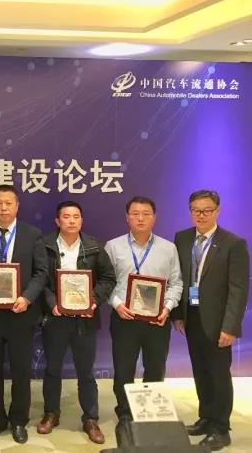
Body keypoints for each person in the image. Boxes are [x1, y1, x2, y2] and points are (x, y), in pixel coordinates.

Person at [171, 190, 249, 451]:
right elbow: (179, 278)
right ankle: (206, 418)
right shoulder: (182, 238)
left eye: (207, 210)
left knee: (218, 374)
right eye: (196, 210)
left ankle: (221, 428)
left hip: (218, 322)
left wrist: (231, 326)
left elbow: (238, 289)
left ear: (218, 211)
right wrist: (177, 315)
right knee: (200, 370)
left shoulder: (233, 243)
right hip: (192, 317)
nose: (201, 215)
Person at [36, 201, 116, 444]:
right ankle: (51, 413)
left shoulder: (93, 246)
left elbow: (108, 278)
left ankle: (90, 418)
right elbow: (40, 279)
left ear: (82, 220)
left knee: (86, 372)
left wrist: (93, 301)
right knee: (52, 369)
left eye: (76, 216)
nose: (71, 221)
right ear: (57, 221)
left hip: (85, 320)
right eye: (66, 216)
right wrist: (52, 303)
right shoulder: (45, 245)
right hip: (56, 318)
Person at [0, 184, 48, 444]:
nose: (4, 208)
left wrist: (27, 298)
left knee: (21, 371)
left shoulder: (32, 234)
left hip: (20, 314)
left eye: (8, 203)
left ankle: (18, 420)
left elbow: (41, 272)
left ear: (17, 206)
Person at [104, 196, 182, 422]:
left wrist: (167, 308)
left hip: (157, 320)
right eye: (135, 214)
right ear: (127, 217)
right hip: (124, 318)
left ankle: (150, 412)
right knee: (123, 369)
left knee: (155, 367)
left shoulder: (168, 248)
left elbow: (176, 283)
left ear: (154, 218)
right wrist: (117, 304)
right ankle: (125, 412)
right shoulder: (113, 246)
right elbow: (105, 282)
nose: (140, 218)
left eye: (146, 214)